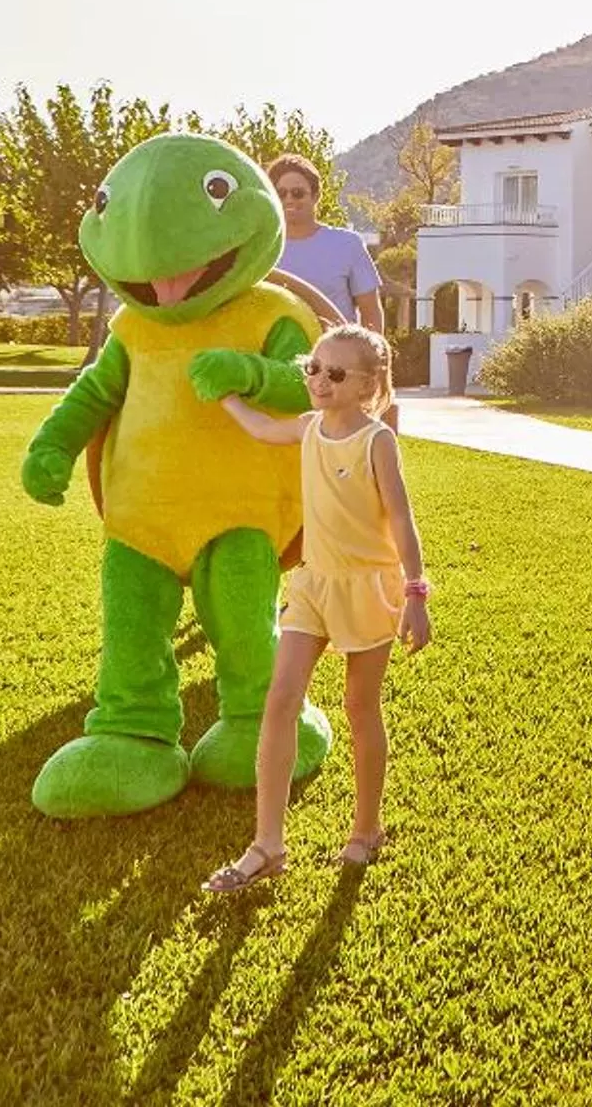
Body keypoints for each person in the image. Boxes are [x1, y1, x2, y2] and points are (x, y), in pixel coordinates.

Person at [202, 324, 430, 891]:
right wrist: (222, 392)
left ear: (366, 385)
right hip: (312, 586)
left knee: (359, 705)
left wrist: (416, 593)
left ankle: (367, 828)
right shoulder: (307, 429)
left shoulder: (377, 441)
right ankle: (267, 845)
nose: (318, 381)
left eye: (334, 374)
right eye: (313, 368)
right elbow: (258, 428)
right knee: (279, 700)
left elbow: (401, 519)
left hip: (367, 587)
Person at [267, 153, 383, 332]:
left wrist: (373, 356)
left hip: (334, 356)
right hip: (275, 356)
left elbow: (371, 311)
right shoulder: (262, 250)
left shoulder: (348, 244)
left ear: (315, 196)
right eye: (281, 193)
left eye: (298, 193)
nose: (289, 199)